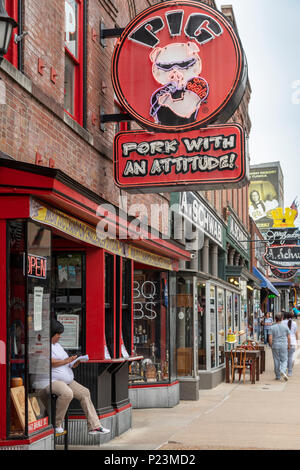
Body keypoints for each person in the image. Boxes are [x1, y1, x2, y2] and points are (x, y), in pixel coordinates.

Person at [40, 319, 110, 435]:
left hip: (66, 379)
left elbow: (64, 362)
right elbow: (50, 362)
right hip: (51, 380)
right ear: (52, 333)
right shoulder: (43, 345)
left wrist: (73, 363)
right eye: (58, 334)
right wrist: (67, 360)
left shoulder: (57, 345)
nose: (60, 337)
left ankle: (94, 426)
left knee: (85, 392)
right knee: (67, 393)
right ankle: (56, 425)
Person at [268, 313, 291, 381]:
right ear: (282, 319)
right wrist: (289, 345)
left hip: (275, 344)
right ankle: (283, 371)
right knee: (284, 359)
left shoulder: (272, 327)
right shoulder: (285, 327)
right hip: (283, 345)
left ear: (275, 319)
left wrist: (271, 345)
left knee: (276, 360)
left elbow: (270, 338)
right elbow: (289, 337)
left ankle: (278, 376)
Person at [282, 312, 298, 377]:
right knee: (290, 357)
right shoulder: (294, 323)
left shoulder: (282, 322)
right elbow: (296, 333)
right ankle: (290, 372)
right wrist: (297, 341)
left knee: (284, 358)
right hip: (292, 342)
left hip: (284, 342)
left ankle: (284, 371)